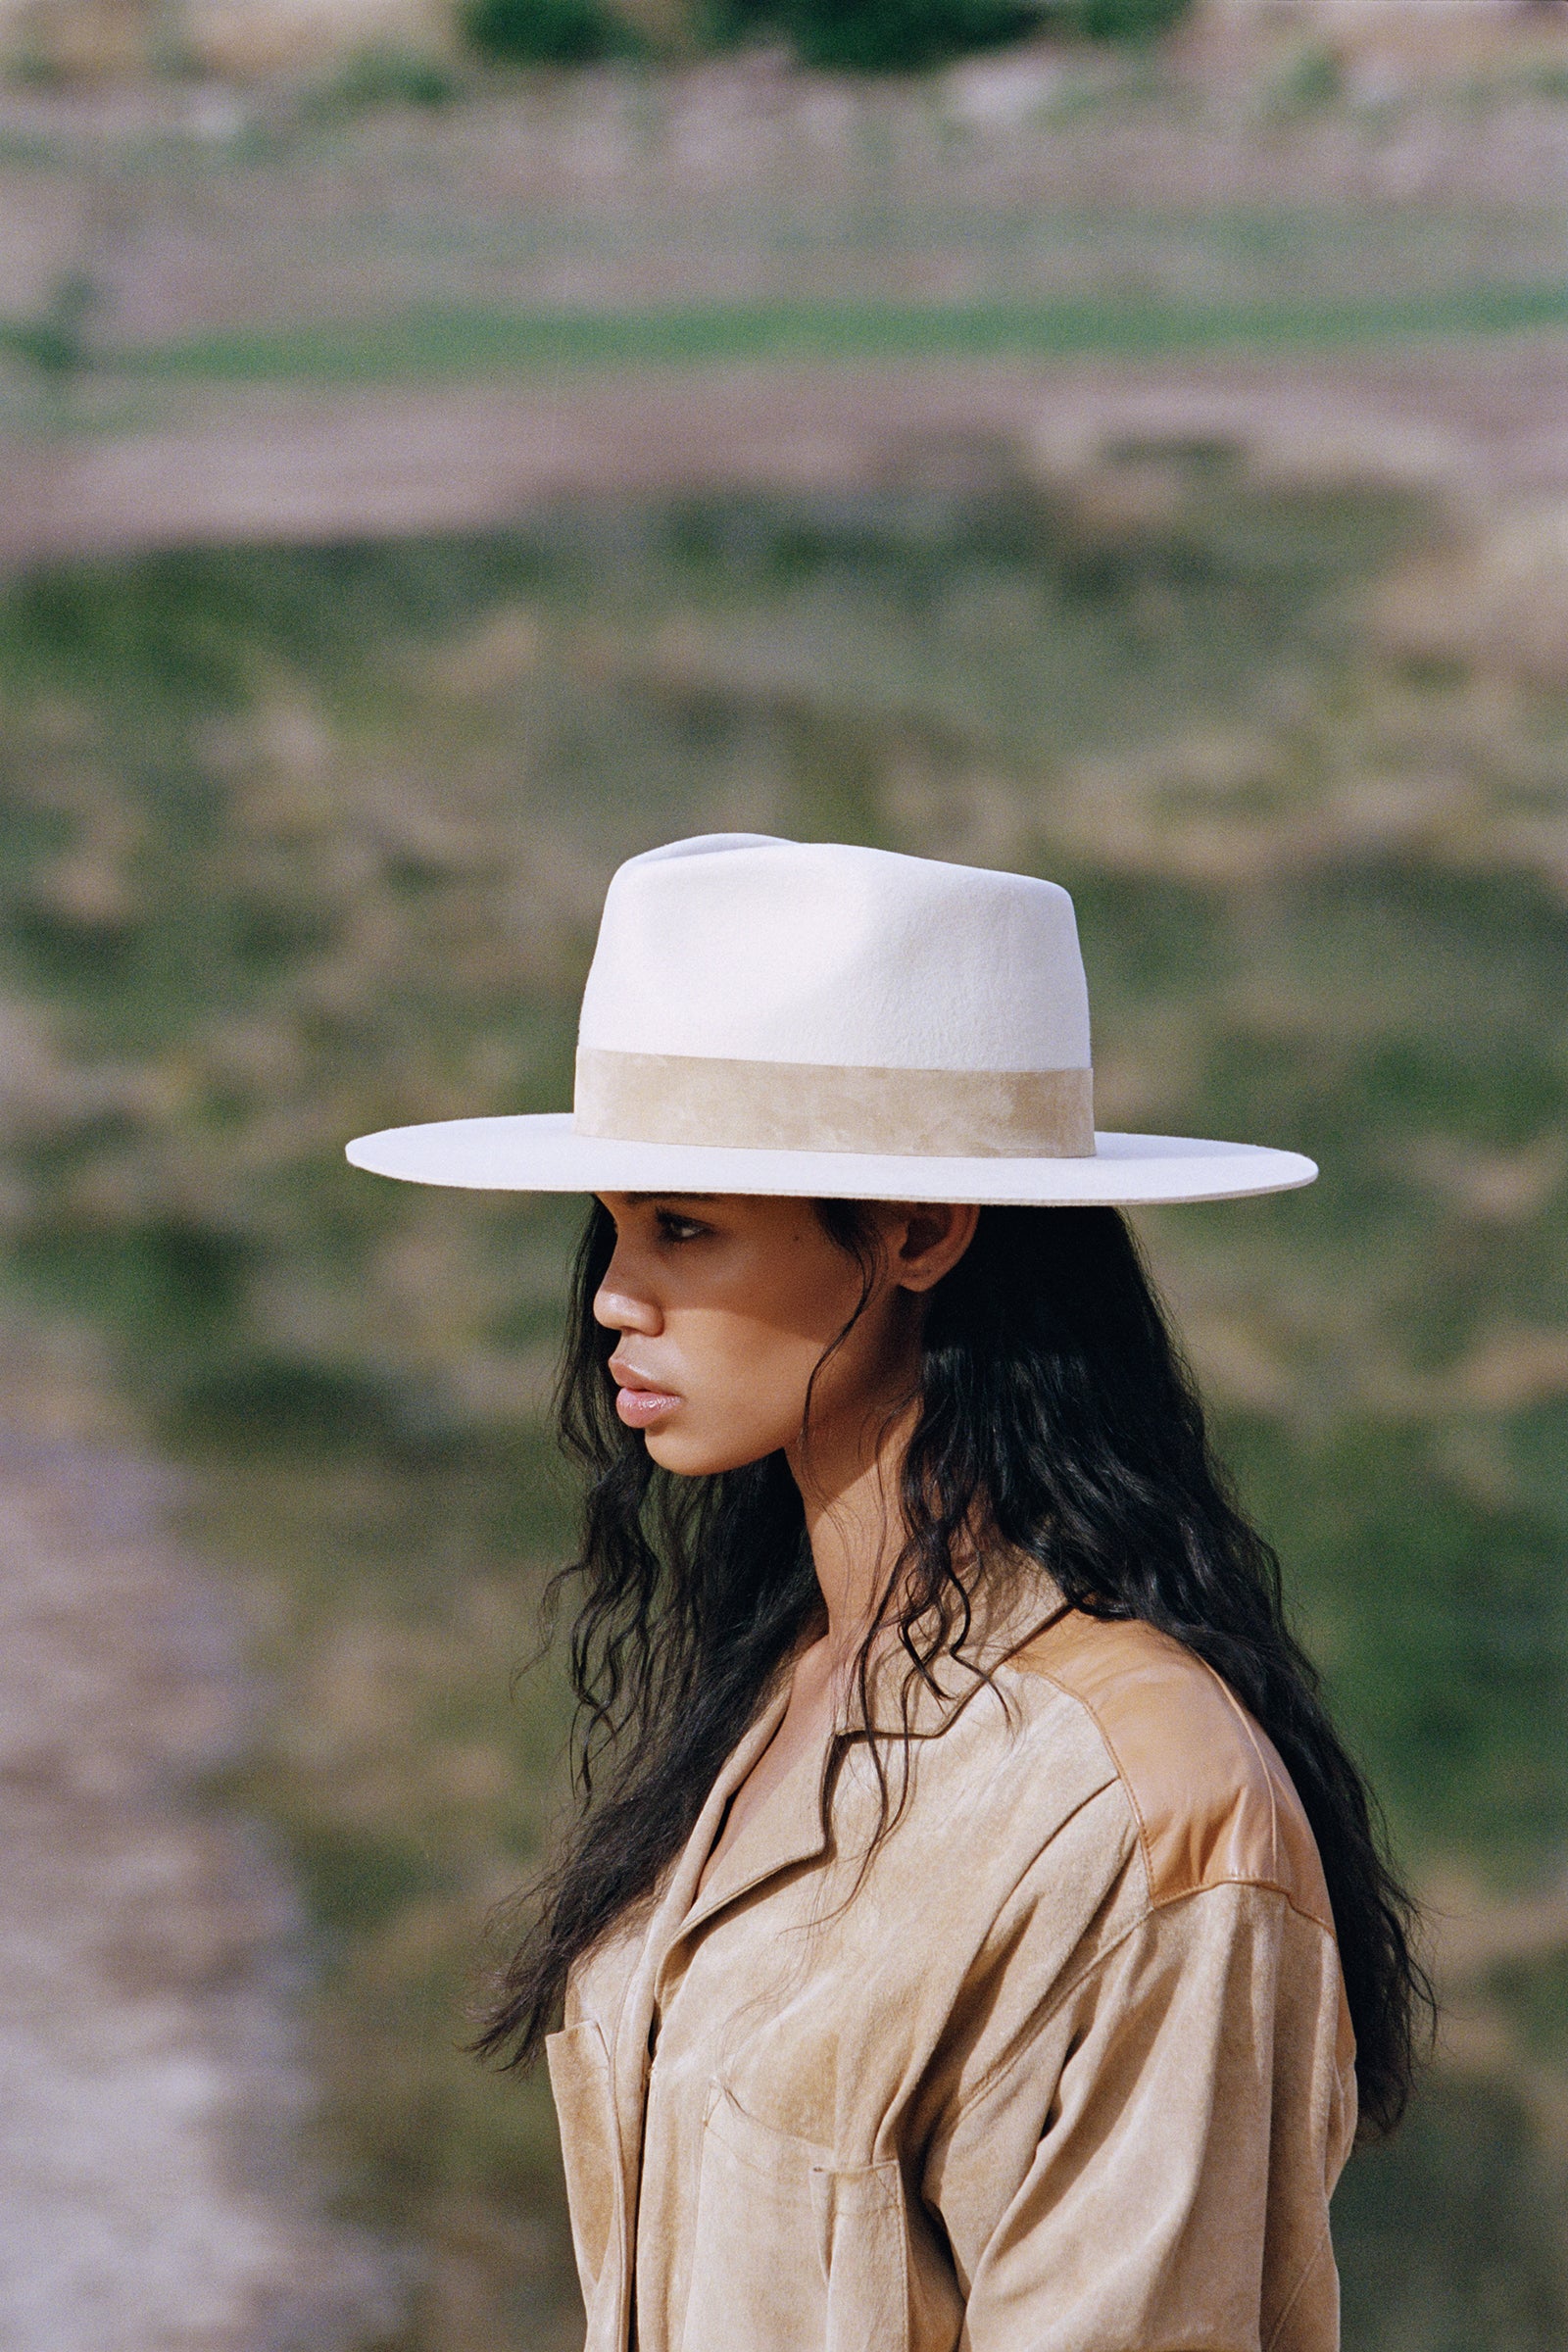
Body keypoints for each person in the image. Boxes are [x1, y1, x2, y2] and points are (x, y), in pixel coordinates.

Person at [348, 834, 1428, 2352]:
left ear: (919, 1233)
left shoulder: (1142, 1807)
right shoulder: (784, 1673)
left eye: (686, 1226)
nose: (610, 1292)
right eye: (614, 1225)